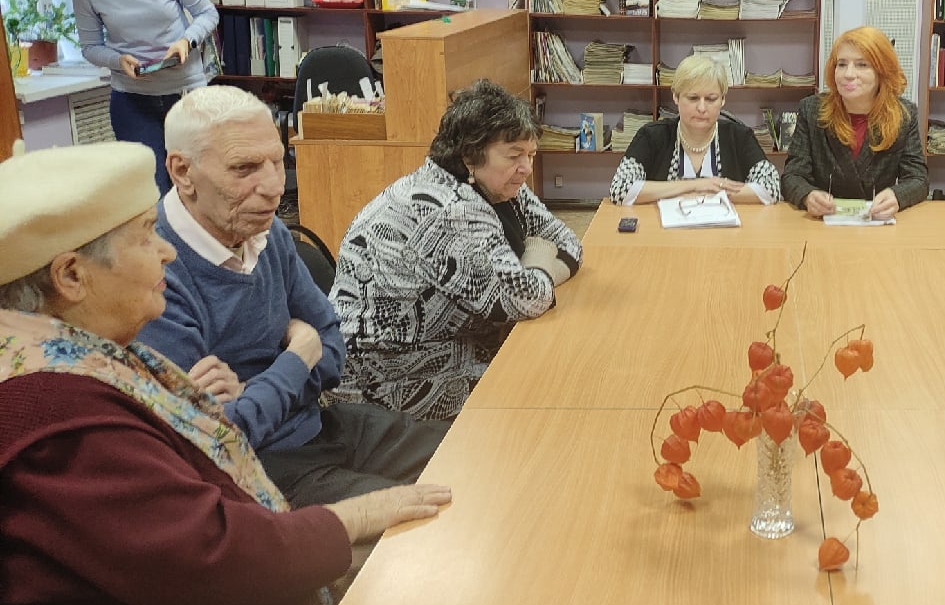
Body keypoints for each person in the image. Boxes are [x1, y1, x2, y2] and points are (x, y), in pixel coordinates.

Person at [0, 141, 450, 605]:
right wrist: (357, 515)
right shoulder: (54, 411)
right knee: (425, 572)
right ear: (71, 276)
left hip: (255, 554)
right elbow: (207, 558)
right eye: (146, 236)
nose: (167, 251)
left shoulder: (70, 357)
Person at [136, 85, 449, 507]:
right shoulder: (154, 274)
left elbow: (333, 351)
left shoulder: (267, 232)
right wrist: (299, 354)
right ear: (182, 172)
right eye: (245, 168)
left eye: (278, 162)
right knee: (430, 515)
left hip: (320, 425)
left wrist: (253, 390)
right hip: (258, 470)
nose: (274, 188)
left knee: (473, 454)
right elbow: (219, 435)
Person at [332, 80, 583, 421]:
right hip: (390, 377)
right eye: (514, 155)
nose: (526, 167)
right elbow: (527, 300)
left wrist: (535, 273)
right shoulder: (448, 209)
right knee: (549, 390)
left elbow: (568, 243)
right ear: (470, 156)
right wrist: (538, 260)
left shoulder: (498, 186)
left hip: (454, 344)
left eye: (531, 155)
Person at [54, 0, 218, 193]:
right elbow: (90, 48)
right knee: (152, 192)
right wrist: (118, 60)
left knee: (197, 187)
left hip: (186, 94)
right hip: (132, 100)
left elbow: (207, 13)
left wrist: (186, 41)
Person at [781, 25, 929, 219]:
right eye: (842, 64)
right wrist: (808, 196)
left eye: (862, 65)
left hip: (877, 222)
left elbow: (918, 179)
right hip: (822, 223)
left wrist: (897, 196)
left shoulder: (904, 114)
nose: (848, 74)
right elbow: (793, 175)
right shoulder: (812, 110)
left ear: (882, 71)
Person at [608, 55, 781, 205]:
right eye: (693, 98)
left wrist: (711, 193)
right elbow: (620, 189)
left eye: (711, 99)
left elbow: (771, 189)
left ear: (723, 100)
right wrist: (694, 185)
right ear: (676, 96)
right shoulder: (652, 136)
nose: (702, 108)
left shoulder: (739, 137)